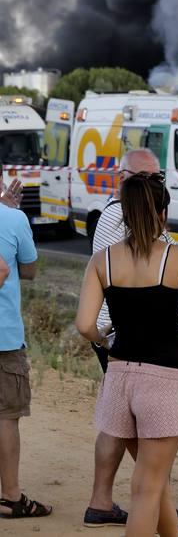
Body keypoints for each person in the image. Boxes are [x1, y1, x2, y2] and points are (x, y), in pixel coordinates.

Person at [76, 172, 178, 537]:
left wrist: (104, 339)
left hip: (119, 380)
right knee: (147, 487)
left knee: (156, 479)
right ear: (163, 213)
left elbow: (85, 324)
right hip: (163, 382)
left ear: (125, 214)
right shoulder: (177, 258)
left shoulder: (102, 261)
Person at [0, 163, 52, 521]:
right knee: (6, 416)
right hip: (4, 336)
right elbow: (30, 270)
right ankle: (10, 495)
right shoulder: (13, 218)